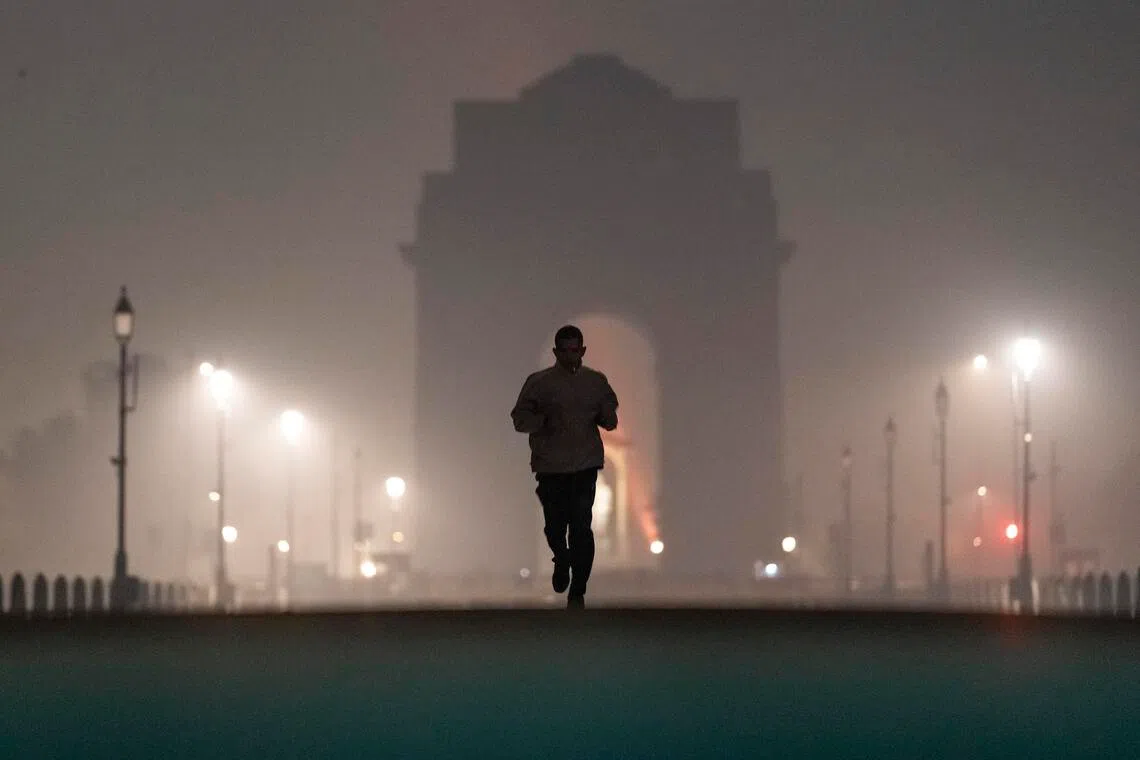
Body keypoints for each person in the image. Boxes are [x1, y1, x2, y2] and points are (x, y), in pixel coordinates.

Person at [511, 325, 619, 609]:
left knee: (582, 527)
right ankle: (561, 557)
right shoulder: (539, 383)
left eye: (576, 350)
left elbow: (610, 418)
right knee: (555, 526)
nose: (572, 355)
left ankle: (578, 590)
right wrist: (543, 421)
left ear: (582, 350)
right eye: (566, 350)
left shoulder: (596, 382)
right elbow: (519, 418)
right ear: (556, 352)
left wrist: (606, 416)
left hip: (584, 465)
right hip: (551, 467)